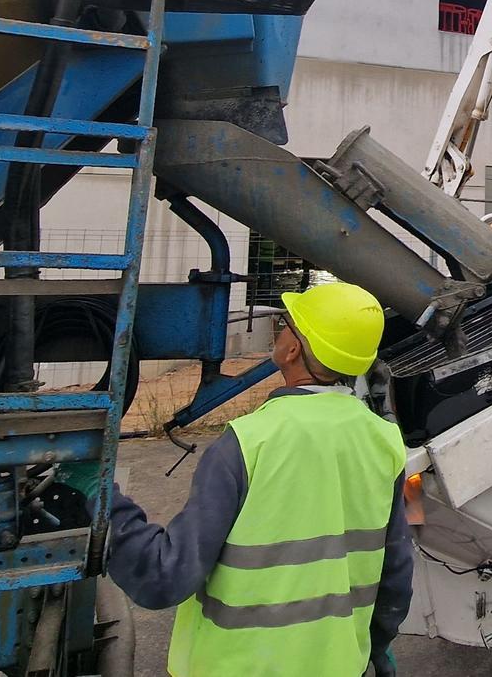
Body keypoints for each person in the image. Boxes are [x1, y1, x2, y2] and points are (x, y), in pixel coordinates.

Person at [106, 281, 412, 677]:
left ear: (292, 349)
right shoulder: (385, 441)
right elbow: (396, 573)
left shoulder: (248, 442)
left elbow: (165, 576)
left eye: (287, 324)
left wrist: (105, 502)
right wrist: (378, 643)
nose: (281, 330)